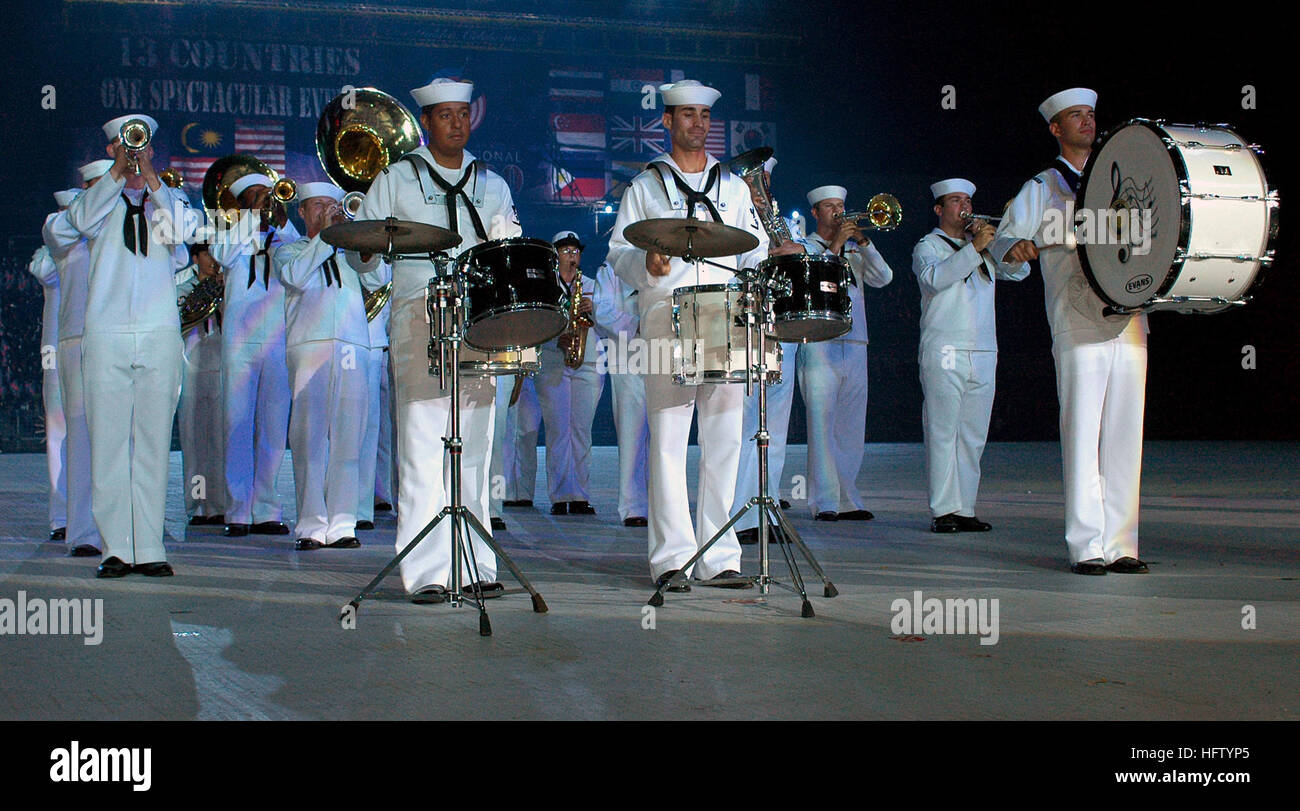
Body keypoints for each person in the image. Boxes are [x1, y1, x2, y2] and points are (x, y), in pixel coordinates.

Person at [356, 77, 521, 604]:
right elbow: (366, 253)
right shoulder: (397, 179)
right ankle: (426, 570)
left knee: (475, 445)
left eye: (462, 113)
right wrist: (363, 254)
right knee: (423, 442)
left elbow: (508, 248)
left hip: (478, 321)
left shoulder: (491, 183)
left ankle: (474, 561)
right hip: (416, 317)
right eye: (445, 115)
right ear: (426, 123)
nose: (456, 123)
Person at [607, 79, 768, 589]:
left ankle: (720, 556)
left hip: (724, 317)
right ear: (668, 121)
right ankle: (671, 558)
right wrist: (646, 261)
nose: (698, 124)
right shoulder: (647, 185)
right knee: (669, 441)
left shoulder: (735, 188)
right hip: (664, 319)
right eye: (688, 115)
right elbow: (618, 252)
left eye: (704, 115)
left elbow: (755, 250)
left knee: (724, 440)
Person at [991, 88, 1149, 575]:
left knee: (1126, 433)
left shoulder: (1121, 181)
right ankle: (1087, 545)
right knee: (1082, 431)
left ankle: (1122, 544)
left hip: (1130, 316)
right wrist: (1015, 248)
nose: (1086, 121)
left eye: (1090, 114)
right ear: (1055, 128)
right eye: (1074, 116)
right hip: (1076, 318)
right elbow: (1003, 242)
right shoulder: (1043, 186)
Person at [65, 113, 197, 577]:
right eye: (126, 146)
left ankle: (151, 546)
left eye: (142, 146)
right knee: (109, 443)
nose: (136, 153)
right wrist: (118, 174)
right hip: (106, 333)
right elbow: (76, 222)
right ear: (112, 151)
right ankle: (116, 548)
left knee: (153, 442)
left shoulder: (170, 201)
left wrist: (153, 180)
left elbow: (183, 233)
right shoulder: (96, 203)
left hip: (159, 335)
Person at [912, 178, 1029, 533]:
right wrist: (975, 248)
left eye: (968, 200)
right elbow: (935, 279)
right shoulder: (928, 246)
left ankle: (964, 508)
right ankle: (943, 509)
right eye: (956, 201)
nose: (965, 206)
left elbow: (1020, 271)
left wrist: (1003, 243)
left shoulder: (982, 247)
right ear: (939, 209)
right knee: (943, 429)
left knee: (973, 434)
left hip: (983, 347)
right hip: (946, 347)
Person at [275, 182, 383, 551]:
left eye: (332, 205)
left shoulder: (348, 249)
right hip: (310, 346)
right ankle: (309, 524)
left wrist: (361, 241)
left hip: (353, 344)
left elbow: (377, 278)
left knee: (349, 437)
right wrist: (326, 236)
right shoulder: (291, 250)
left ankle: (342, 523)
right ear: (303, 212)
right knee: (309, 438)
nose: (327, 210)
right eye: (318, 206)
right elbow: (295, 277)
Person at [210, 171, 299, 538]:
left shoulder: (285, 235)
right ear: (242, 202)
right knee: (237, 424)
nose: (266, 200)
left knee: (274, 428)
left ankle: (267, 507)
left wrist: (280, 219)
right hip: (240, 341)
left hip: (278, 337)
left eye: (269, 194)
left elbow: (298, 260)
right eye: (258, 195)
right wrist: (250, 220)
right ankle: (238, 510)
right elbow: (224, 255)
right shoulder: (228, 233)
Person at [798, 185, 893, 522]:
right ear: (815, 213)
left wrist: (864, 243)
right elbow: (815, 285)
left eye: (841, 205)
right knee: (821, 424)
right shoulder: (806, 246)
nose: (838, 212)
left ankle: (848, 497)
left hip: (855, 340)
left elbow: (884, 277)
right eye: (830, 207)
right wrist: (836, 247)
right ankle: (824, 501)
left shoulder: (857, 246)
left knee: (851, 425)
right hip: (819, 342)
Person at [43, 162, 111, 557]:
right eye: (100, 186)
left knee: (123, 434)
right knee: (82, 434)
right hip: (76, 338)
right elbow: (70, 232)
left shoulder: (127, 216)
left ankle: (121, 527)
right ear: (85, 188)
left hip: (118, 336)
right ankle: (83, 530)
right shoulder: (61, 221)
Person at [733, 155, 800, 543]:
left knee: (774, 430)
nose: (762, 191)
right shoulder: (730, 220)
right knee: (744, 428)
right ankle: (739, 517)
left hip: (779, 332)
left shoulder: (783, 223)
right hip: (745, 330)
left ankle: (767, 510)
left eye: (765, 182)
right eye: (756, 183)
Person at [535, 230, 604, 516]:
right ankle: (560, 495)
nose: (573, 255)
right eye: (566, 250)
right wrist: (555, 338)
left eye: (576, 250)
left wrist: (595, 309)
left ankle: (579, 495)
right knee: (558, 430)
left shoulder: (591, 285)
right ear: (555, 255)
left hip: (587, 361)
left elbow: (611, 318)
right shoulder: (544, 286)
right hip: (553, 360)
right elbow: (535, 322)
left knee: (581, 430)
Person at [591, 259, 648, 527]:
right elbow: (601, 310)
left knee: (665, 436)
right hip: (627, 355)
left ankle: (661, 502)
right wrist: (636, 325)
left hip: (664, 352)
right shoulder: (612, 268)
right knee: (631, 432)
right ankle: (633, 505)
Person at [176, 245, 227, 527]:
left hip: (220, 368)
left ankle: (219, 505)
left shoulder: (228, 286)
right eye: (207, 254)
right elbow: (181, 320)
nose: (214, 261)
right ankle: (197, 506)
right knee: (194, 443)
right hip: (192, 371)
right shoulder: (182, 288)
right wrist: (208, 291)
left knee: (220, 442)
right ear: (195, 259)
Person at [29, 199, 68, 543]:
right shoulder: (50, 250)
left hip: (93, 345)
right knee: (58, 432)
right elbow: (44, 272)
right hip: (55, 353)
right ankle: (61, 516)